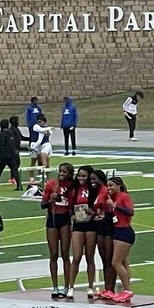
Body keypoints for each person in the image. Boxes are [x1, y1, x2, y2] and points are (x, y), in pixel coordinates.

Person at [67, 165, 105, 298]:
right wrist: (72, 215)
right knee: (76, 256)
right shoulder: (74, 189)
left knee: (90, 256)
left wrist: (93, 213)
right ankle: (71, 287)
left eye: (84, 176)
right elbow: (71, 205)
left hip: (91, 224)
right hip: (78, 224)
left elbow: (98, 206)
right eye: (79, 175)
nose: (81, 178)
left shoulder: (94, 189)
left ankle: (90, 286)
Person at [41, 162, 75, 298]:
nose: (61, 174)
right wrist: (50, 199)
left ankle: (67, 286)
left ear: (70, 174)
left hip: (65, 221)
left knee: (65, 254)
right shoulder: (51, 185)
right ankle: (54, 286)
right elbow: (42, 204)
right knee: (53, 254)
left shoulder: (72, 186)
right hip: (53, 219)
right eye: (60, 171)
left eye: (64, 172)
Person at [103, 175, 135, 302]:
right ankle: (125, 289)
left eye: (111, 185)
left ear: (119, 186)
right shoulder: (114, 198)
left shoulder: (123, 196)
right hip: (117, 231)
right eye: (108, 186)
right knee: (123, 262)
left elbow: (130, 212)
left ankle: (127, 290)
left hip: (124, 232)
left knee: (115, 262)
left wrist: (114, 206)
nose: (109, 188)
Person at [0, 118, 22, 190]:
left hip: (4, 156)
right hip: (12, 155)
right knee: (15, 171)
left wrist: (0, 155)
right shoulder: (11, 133)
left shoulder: (2, 134)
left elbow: (2, 146)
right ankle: (19, 185)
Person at [27, 114, 53, 187]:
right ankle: (31, 177)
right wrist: (33, 147)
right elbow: (41, 131)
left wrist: (48, 131)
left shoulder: (45, 127)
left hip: (41, 145)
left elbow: (48, 132)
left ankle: (45, 178)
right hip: (34, 144)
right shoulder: (35, 126)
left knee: (43, 161)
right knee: (33, 161)